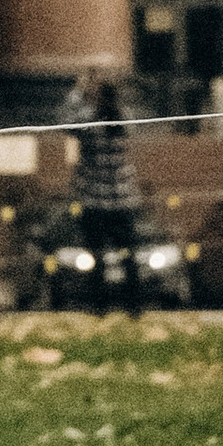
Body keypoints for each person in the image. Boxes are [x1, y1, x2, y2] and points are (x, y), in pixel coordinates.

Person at [71, 77, 141, 305]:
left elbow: (68, 124)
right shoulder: (124, 120)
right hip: (123, 199)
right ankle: (133, 304)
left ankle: (99, 304)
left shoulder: (90, 124)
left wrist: (80, 92)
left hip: (95, 200)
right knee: (128, 254)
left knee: (97, 256)